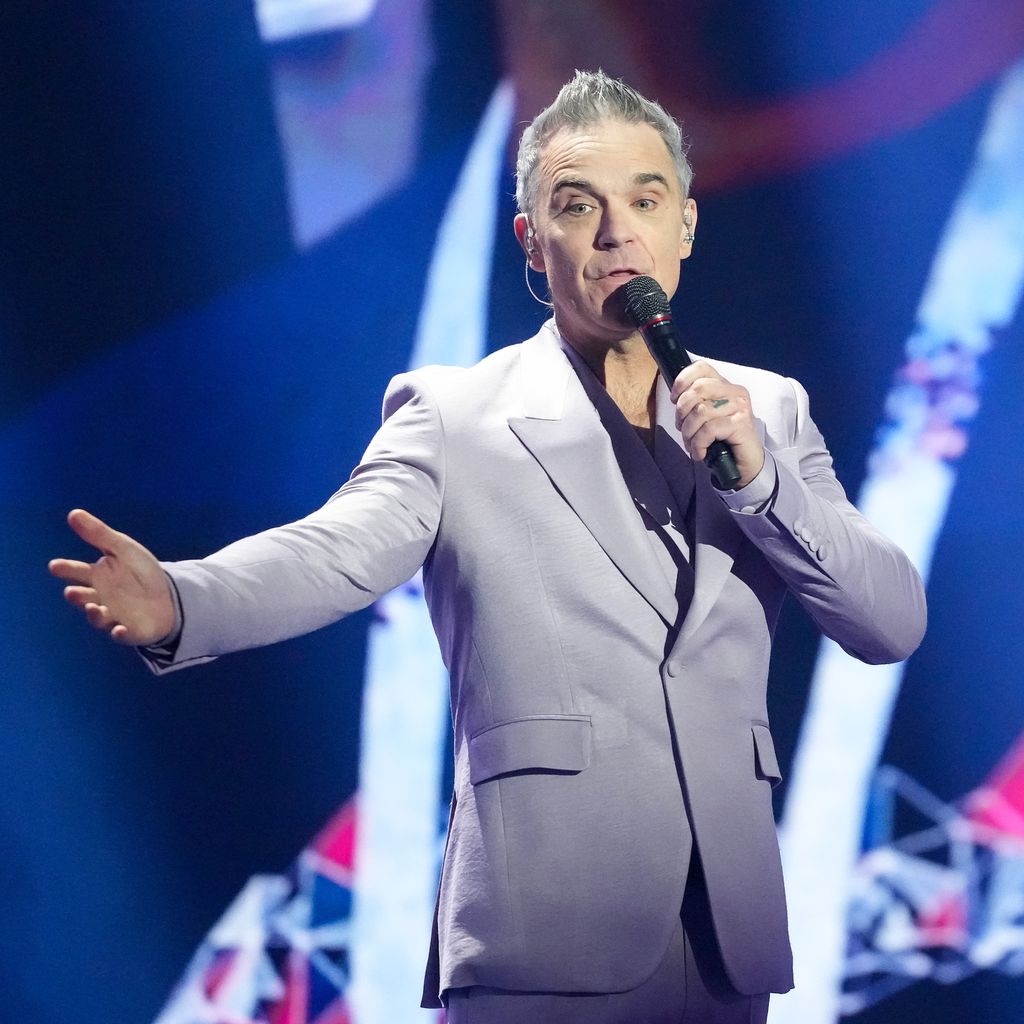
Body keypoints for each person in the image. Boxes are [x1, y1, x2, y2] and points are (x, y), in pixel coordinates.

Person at [50, 71, 926, 1023]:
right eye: (576, 206)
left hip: (725, 938)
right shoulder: (459, 415)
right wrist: (182, 599)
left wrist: (762, 482)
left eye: (645, 200)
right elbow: (333, 551)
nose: (615, 231)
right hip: (543, 929)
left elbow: (888, 620)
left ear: (684, 227)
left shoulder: (769, 410)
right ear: (531, 244)